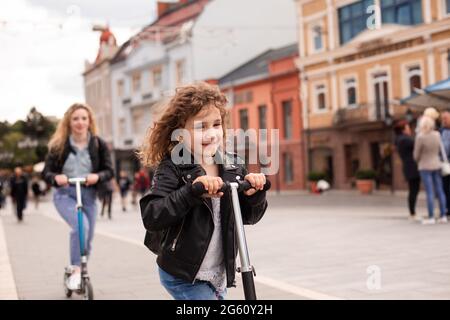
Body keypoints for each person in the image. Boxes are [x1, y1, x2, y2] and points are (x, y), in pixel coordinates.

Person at [138, 82, 268, 300]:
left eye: (216, 125)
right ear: (180, 134)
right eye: (201, 127)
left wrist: (255, 194)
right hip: (182, 273)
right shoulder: (173, 167)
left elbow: (249, 217)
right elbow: (152, 215)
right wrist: (192, 192)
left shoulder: (232, 165)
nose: (211, 133)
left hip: (217, 273)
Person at [42, 103, 113, 290]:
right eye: (75, 119)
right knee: (81, 226)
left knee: (88, 237)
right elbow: (46, 173)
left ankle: (79, 269)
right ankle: (75, 269)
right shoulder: (59, 145)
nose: (80, 122)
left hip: (88, 194)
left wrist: (97, 176)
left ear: (89, 121)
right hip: (65, 194)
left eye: (84, 118)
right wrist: (56, 178)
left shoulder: (98, 144)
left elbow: (109, 170)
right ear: (69, 122)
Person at [413, 116, 447, 225]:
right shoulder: (437, 135)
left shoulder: (420, 137)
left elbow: (416, 155)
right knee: (440, 190)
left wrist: (419, 160)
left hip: (425, 166)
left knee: (429, 192)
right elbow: (442, 150)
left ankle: (431, 216)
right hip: (437, 164)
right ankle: (443, 215)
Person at [394, 120, 421, 220]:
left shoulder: (400, 139)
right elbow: (417, 144)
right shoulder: (404, 140)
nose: (410, 129)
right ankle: (412, 213)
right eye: (408, 127)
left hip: (409, 167)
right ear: (403, 130)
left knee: (413, 190)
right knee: (414, 190)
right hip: (412, 168)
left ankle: (412, 212)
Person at [440, 110, 450, 216]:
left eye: (446, 118)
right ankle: (447, 208)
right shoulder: (441, 131)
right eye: (442, 119)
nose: (444, 121)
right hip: (444, 164)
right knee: (445, 187)